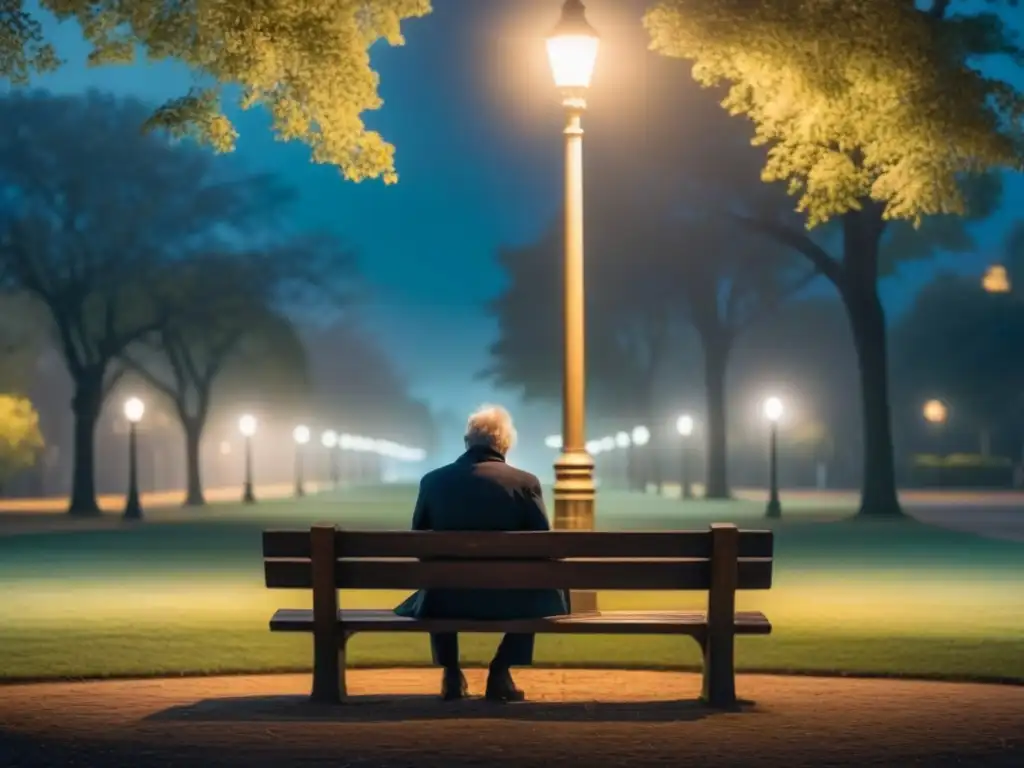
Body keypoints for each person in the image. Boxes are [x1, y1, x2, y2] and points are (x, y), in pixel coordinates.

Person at [394, 404, 569, 702]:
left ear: (467, 442)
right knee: (546, 587)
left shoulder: (433, 482)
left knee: (437, 577)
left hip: (445, 599)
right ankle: (500, 670)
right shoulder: (525, 483)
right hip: (511, 599)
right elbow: (543, 545)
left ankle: (451, 673)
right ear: (504, 444)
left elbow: (419, 543)